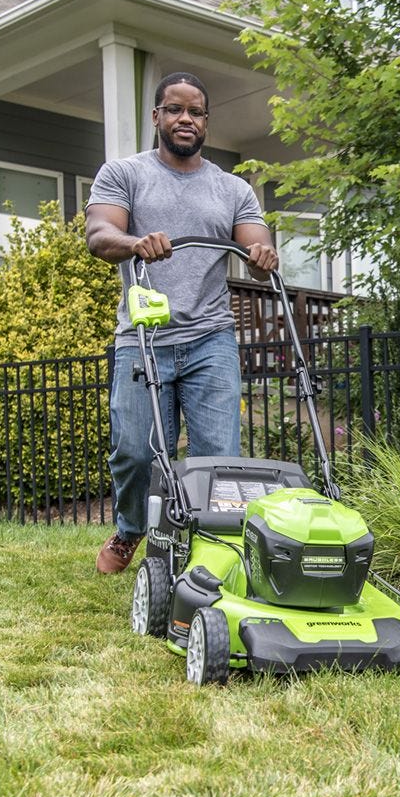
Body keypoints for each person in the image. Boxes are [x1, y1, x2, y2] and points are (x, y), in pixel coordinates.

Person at [86, 72, 279, 574]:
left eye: (195, 112)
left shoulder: (231, 187)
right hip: (143, 338)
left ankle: (215, 555)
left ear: (206, 123)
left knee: (219, 459)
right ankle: (130, 530)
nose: (185, 119)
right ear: (156, 117)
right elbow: (99, 233)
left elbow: (255, 238)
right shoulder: (124, 174)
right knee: (135, 452)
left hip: (210, 337)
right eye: (174, 109)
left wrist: (260, 251)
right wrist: (133, 243)